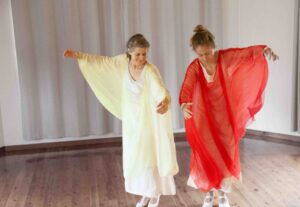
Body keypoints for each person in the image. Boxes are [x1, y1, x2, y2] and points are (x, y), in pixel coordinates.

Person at [64, 34, 179, 207]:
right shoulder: (121, 63)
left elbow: (160, 88)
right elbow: (102, 62)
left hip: (148, 121)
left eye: (144, 54)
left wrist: (165, 101)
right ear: (129, 53)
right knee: (136, 158)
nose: (141, 58)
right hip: (132, 123)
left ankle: (154, 194)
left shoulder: (150, 70)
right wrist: (78, 56)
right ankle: (146, 194)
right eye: (137, 54)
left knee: (148, 156)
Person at [179, 25, 278, 207]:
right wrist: (184, 104)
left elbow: (244, 54)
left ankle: (223, 194)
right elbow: (186, 87)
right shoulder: (194, 67)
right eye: (200, 54)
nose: (204, 57)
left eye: (208, 53)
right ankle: (209, 193)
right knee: (207, 153)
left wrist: (262, 50)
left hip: (224, 114)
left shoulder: (224, 57)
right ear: (195, 52)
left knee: (226, 152)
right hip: (203, 117)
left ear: (213, 47)